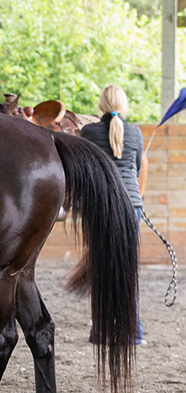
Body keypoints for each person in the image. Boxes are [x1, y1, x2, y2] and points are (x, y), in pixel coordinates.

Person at [80, 84, 146, 345]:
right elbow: (137, 167)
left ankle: (100, 332)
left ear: (101, 105)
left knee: (100, 269)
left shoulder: (88, 132)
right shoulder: (135, 133)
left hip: (100, 206)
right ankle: (134, 332)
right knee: (128, 269)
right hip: (132, 205)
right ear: (123, 105)